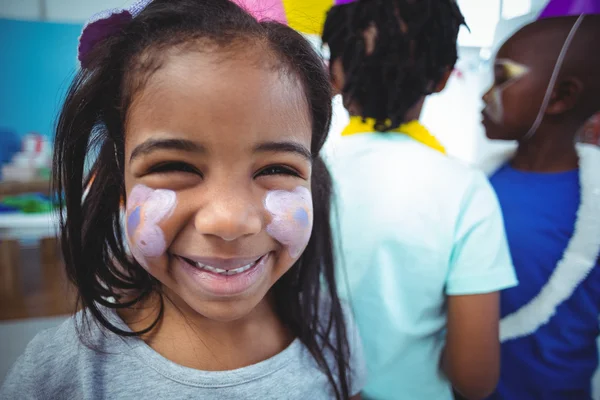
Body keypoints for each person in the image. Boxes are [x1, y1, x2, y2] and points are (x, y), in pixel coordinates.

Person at [0, 1, 367, 399]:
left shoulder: (332, 328)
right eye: (176, 166)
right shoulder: (60, 373)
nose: (228, 221)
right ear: (120, 184)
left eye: (274, 170)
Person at [321, 1, 517, 399]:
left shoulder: (299, 177)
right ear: (444, 76)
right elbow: (475, 378)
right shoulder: (467, 191)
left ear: (332, 74)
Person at [480, 3, 600, 398]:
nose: (485, 95)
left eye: (503, 79)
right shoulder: (476, 184)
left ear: (561, 96)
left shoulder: (594, 207)